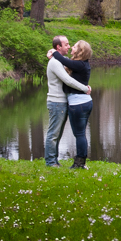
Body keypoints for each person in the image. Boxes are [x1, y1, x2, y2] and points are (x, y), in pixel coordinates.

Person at [45, 36, 91, 167]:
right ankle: (50, 161)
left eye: (71, 44)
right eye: (66, 44)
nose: (69, 46)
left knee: (58, 133)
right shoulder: (55, 62)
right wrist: (85, 88)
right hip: (56, 102)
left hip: (63, 101)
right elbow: (68, 80)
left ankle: (54, 160)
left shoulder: (61, 60)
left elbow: (71, 65)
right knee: (53, 133)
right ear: (58, 47)